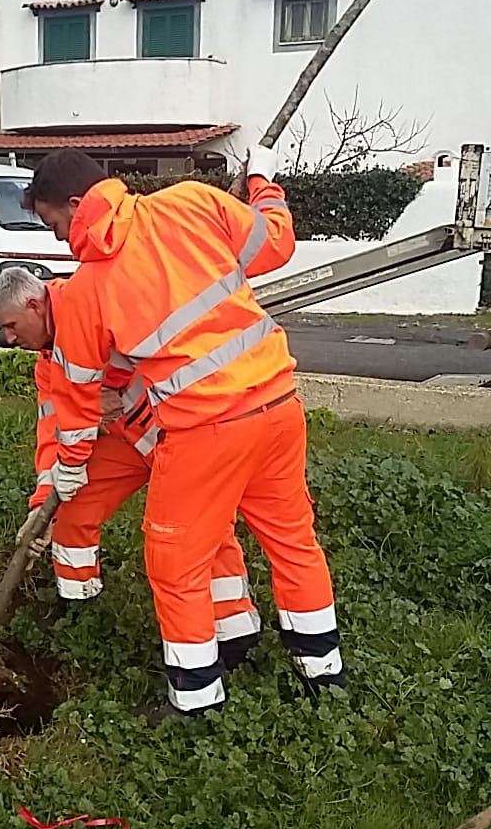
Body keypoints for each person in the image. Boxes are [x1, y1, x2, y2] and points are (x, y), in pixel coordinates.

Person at [22, 147, 347, 717]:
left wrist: (68, 471)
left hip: (206, 429)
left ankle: (196, 697)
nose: (57, 239)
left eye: (54, 224)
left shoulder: (87, 288)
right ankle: (324, 674)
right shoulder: (191, 203)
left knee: (175, 558)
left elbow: (73, 403)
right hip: (277, 404)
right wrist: (263, 180)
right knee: (292, 538)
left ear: (77, 205)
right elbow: (275, 243)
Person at [0, 268, 262, 669]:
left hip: (177, 431)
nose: (9, 338)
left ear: (34, 304)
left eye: (11, 326)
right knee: (72, 506)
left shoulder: (94, 303)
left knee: (199, 528)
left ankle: (235, 632)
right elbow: (52, 433)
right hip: (123, 440)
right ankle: (79, 607)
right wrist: (42, 506)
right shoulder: (47, 363)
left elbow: (165, 350)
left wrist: (109, 399)